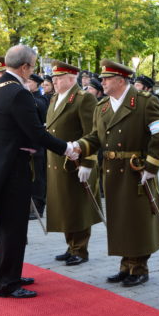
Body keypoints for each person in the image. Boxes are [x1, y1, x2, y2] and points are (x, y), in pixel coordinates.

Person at [0, 45, 77, 299]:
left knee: (8, 225)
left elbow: (6, 127)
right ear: (25, 67)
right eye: (33, 65)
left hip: (1, 162)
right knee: (13, 226)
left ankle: (10, 273)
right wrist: (67, 148)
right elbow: (36, 132)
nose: (33, 70)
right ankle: (7, 283)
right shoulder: (18, 92)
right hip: (13, 166)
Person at [75, 59, 159, 287]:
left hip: (136, 170)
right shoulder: (102, 106)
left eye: (106, 79)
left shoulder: (144, 102)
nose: (102, 82)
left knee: (138, 220)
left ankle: (139, 267)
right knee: (120, 220)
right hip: (112, 172)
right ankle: (126, 266)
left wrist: (152, 165)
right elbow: (96, 137)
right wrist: (77, 147)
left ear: (120, 80)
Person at [46, 60, 101, 266]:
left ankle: (80, 249)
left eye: (58, 78)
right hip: (57, 161)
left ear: (71, 78)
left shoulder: (83, 98)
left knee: (78, 206)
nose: (55, 81)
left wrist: (88, 163)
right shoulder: (54, 98)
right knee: (64, 206)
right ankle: (71, 246)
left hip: (75, 163)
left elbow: (92, 133)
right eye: (54, 78)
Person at [26, 73, 49, 219]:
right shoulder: (27, 97)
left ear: (37, 84)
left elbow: (40, 108)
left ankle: (38, 208)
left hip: (37, 143)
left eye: (29, 81)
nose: (27, 83)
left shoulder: (41, 98)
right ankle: (29, 206)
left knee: (38, 177)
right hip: (26, 142)